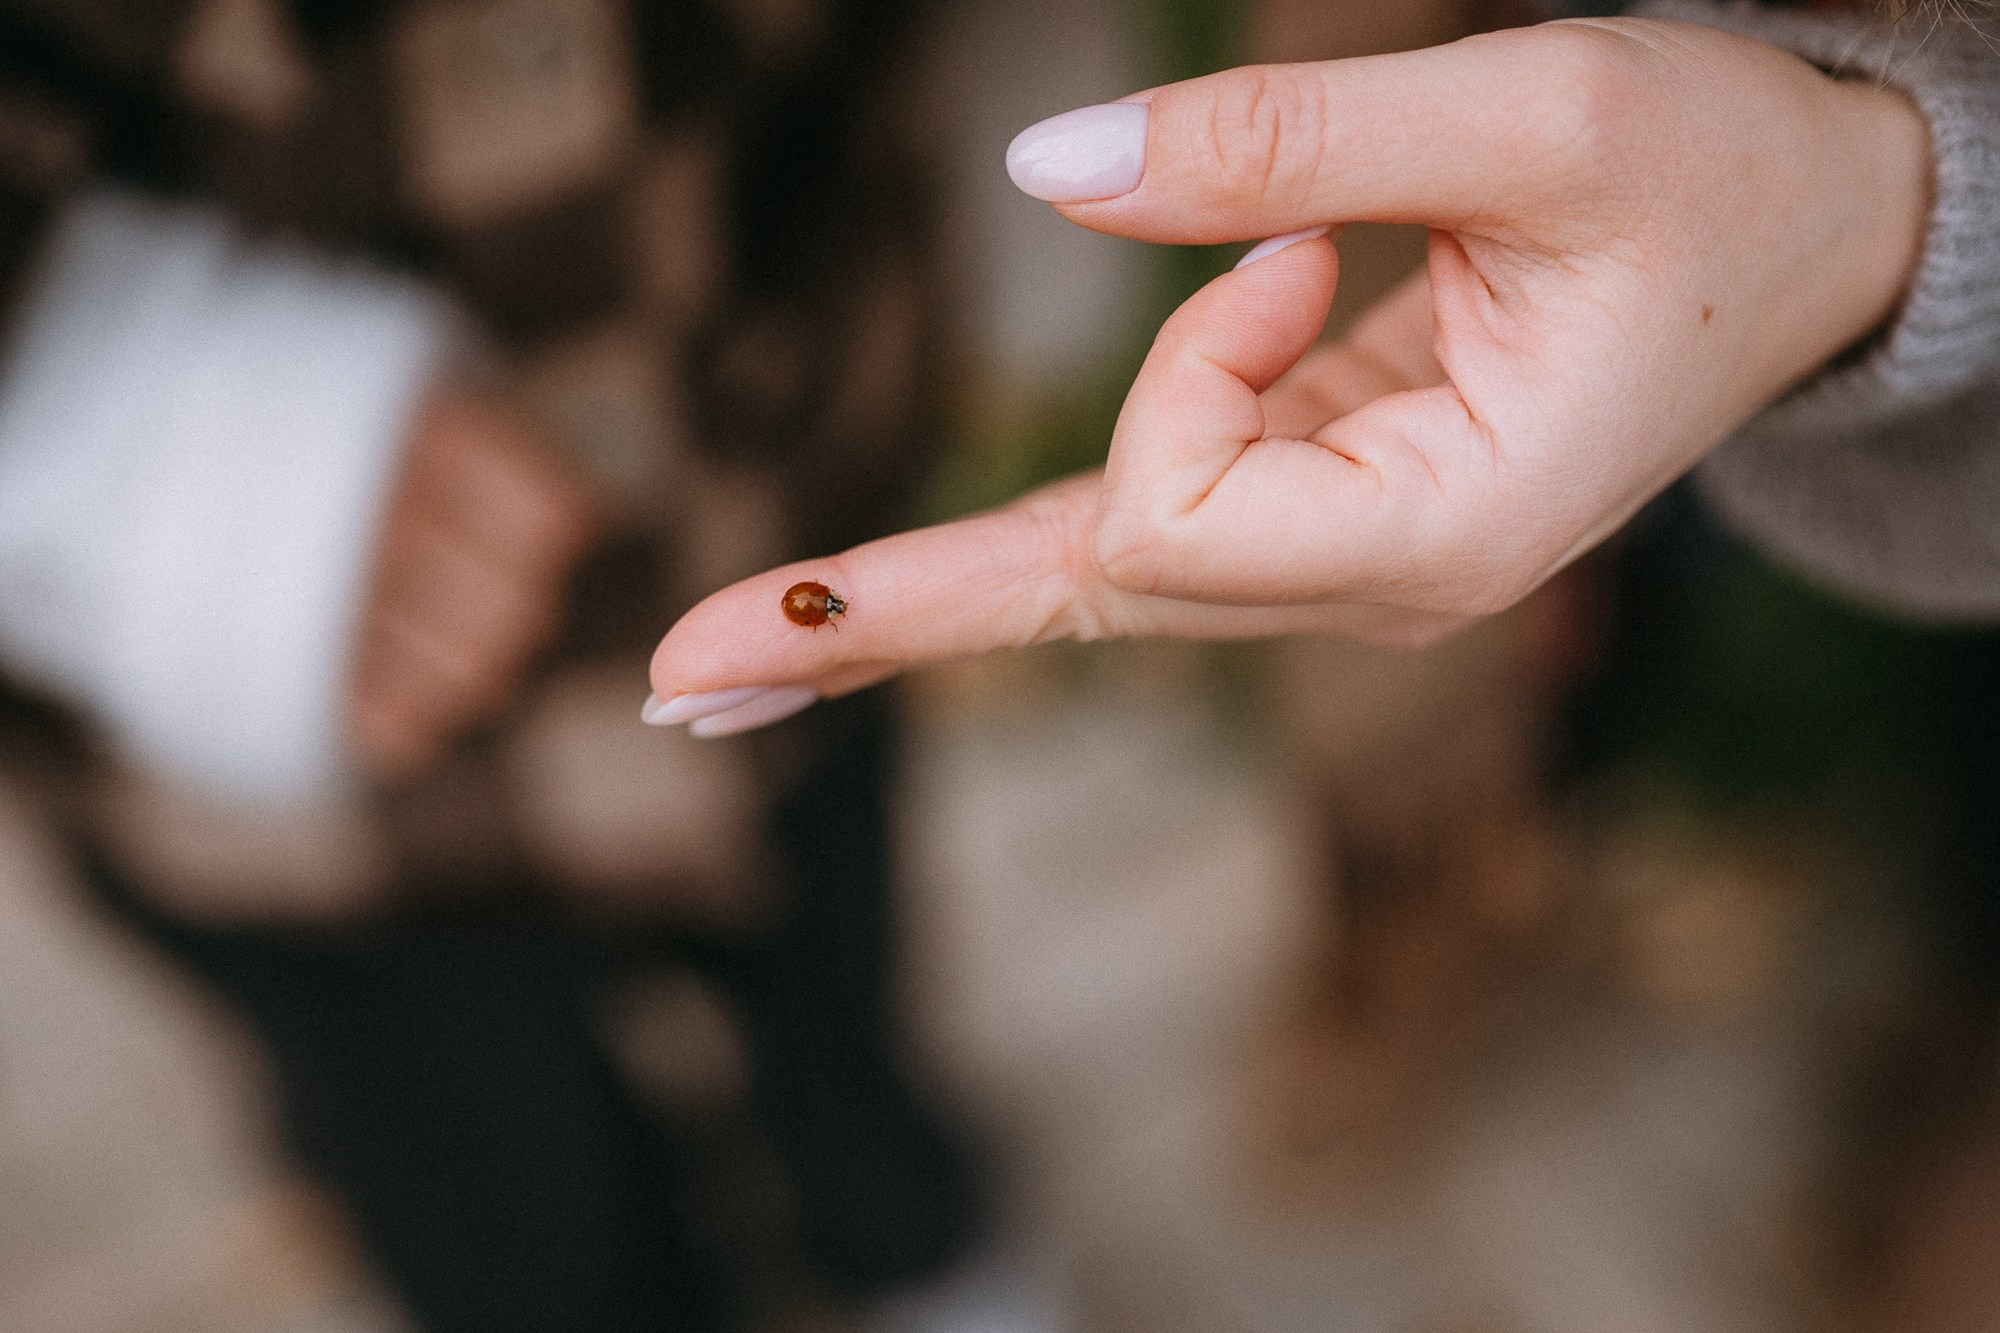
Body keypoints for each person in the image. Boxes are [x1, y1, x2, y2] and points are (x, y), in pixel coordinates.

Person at [0, 2, 981, 1328]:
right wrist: (120, 429)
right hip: (285, 771)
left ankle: (903, 1233)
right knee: (512, 1228)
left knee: (851, 1020)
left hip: (785, 440)